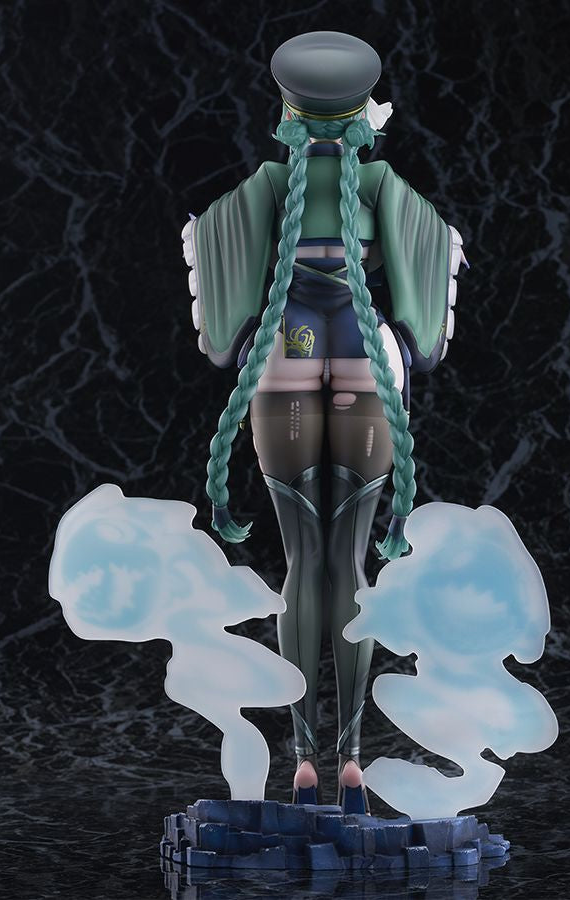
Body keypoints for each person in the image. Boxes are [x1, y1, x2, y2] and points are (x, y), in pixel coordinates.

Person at [180, 31, 466, 814]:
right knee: (352, 568)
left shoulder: (270, 184)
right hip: (366, 371)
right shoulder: (382, 184)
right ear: (364, 113)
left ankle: (305, 758)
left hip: (285, 369)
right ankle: (352, 759)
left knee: (303, 565)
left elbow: (223, 310)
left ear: (289, 112)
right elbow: (426, 301)